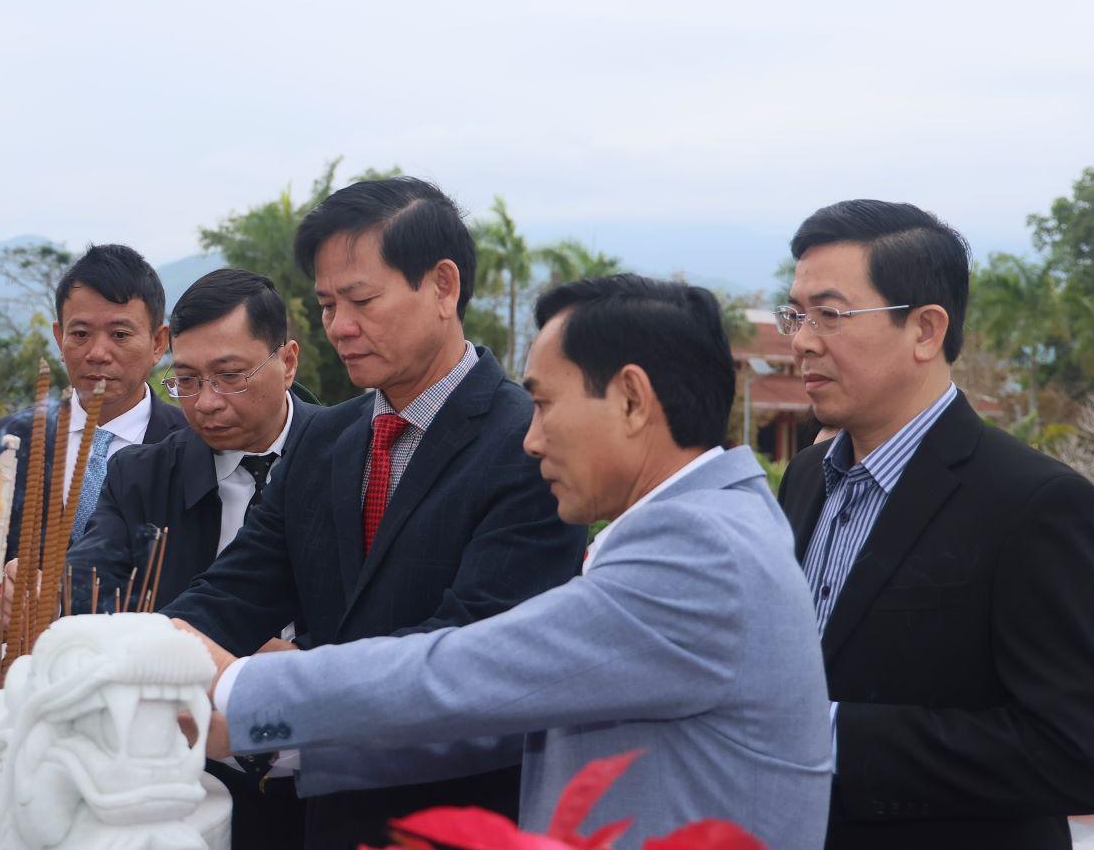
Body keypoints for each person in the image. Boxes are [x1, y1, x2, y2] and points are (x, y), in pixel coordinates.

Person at [181, 274, 833, 850]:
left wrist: (233, 684)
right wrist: (248, 729)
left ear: (632, 399)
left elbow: (460, 672)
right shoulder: (712, 522)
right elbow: (504, 722)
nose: (531, 437)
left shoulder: (700, 552)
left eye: (546, 403)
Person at [161, 177, 586, 850]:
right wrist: (147, 653)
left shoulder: (528, 446)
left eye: (361, 299)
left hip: (459, 824)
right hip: (328, 823)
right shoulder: (325, 441)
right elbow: (236, 587)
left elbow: (466, 655)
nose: (339, 327)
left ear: (442, 287)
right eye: (328, 304)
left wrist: (260, 692)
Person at [774, 199, 1094, 849]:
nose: (801, 340)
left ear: (926, 330)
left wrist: (827, 730)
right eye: (797, 313)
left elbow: (1081, 749)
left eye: (830, 314)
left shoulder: (1035, 502)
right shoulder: (805, 476)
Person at [64, 268, 321, 847]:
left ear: (289, 361)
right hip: (187, 783)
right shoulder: (143, 475)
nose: (205, 403)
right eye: (185, 380)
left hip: (329, 785)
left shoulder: (346, 459)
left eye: (230, 377)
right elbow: (86, 596)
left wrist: (297, 663)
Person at [0, 243, 187, 571]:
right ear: (59, 338)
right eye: (81, 333)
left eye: (120, 334)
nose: (97, 352)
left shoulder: (192, 446)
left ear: (158, 343)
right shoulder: (7, 443)